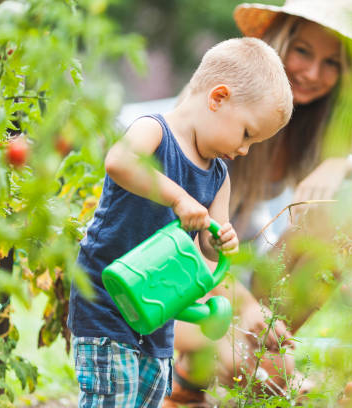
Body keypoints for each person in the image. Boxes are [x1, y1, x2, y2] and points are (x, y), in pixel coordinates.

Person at [166, 0, 352, 406]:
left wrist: (340, 164)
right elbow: (183, 232)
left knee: (350, 211)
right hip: (194, 265)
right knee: (256, 375)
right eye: (302, 51)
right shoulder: (223, 99)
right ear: (279, 42)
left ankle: (259, 347)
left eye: (332, 63)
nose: (313, 73)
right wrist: (239, 304)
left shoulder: (330, 120)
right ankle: (193, 373)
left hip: (249, 268)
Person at [67, 37, 293, 408]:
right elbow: (120, 162)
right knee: (112, 396)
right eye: (247, 134)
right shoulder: (153, 131)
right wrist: (178, 197)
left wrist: (220, 243)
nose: (243, 150)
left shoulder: (218, 176)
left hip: (157, 312)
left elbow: (207, 247)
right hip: (107, 301)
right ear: (218, 98)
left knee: (147, 396)